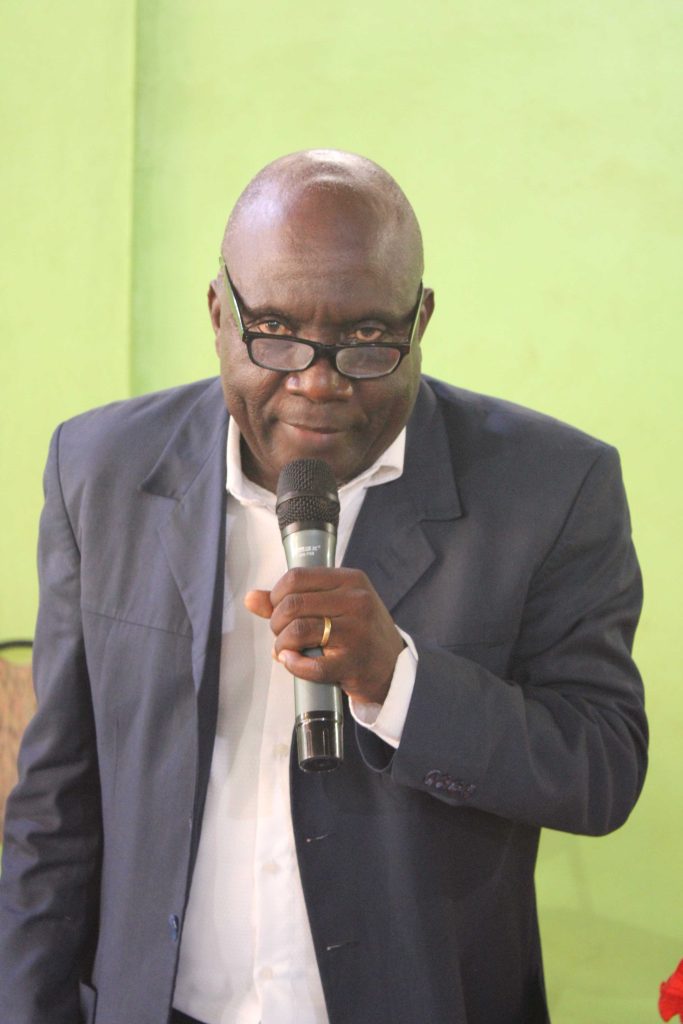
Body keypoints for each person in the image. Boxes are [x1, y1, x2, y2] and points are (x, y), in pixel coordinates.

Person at [0, 150, 647, 1024]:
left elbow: (600, 769)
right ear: (218, 312)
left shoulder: (550, 487)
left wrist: (397, 681)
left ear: (420, 318)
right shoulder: (99, 469)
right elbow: (54, 806)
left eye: (367, 339)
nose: (316, 380)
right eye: (274, 331)